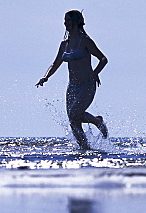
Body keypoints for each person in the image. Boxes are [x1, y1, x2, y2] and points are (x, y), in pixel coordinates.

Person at [37, 10, 108, 150]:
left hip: (87, 84)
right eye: (65, 20)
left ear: (76, 21)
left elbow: (103, 59)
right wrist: (45, 77)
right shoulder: (65, 44)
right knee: (73, 119)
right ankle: (85, 149)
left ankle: (96, 121)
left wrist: (95, 73)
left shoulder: (85, 40)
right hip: (72, 87)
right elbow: (56, 63)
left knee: (75, 113)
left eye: (68, 20)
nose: (65, 23)